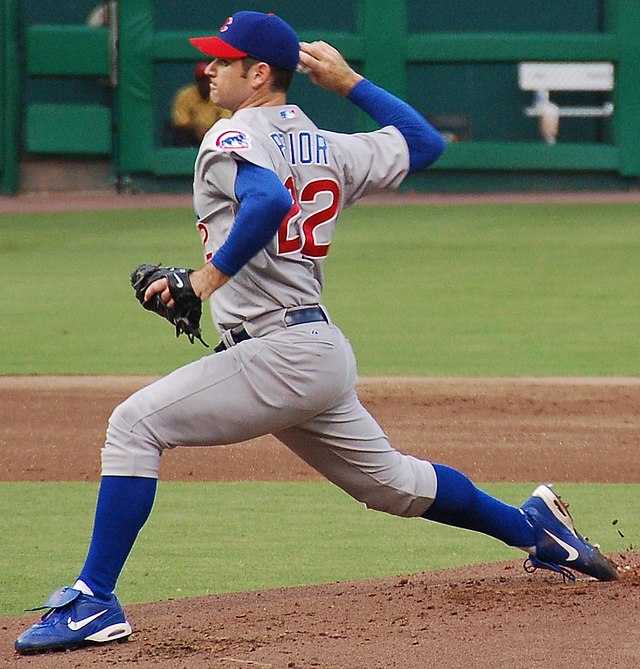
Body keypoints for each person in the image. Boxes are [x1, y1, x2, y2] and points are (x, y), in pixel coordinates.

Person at [15, 10, 618, 656]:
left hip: (279, 352)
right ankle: (535, 528)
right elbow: (425, 144)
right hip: (317, 353)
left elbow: (269, 202)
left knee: (134, 425)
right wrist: (352, 83)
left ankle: (95, 599)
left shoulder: (231, 134)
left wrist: (201, 282)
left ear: (259, 72)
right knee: (395, 484)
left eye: (224, 58)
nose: (210, 68)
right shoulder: (327, 144)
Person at [169, 62, 231, 146]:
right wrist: (197, 129)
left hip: (214, 133)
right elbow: (180, 121)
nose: (205, 83)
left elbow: (226, 119)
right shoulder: (185, 95)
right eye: (202, 79)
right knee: (181, 135)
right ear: (197, 80)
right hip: (192, 136)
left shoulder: (220, 95)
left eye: (208, 79)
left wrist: (209, 130)